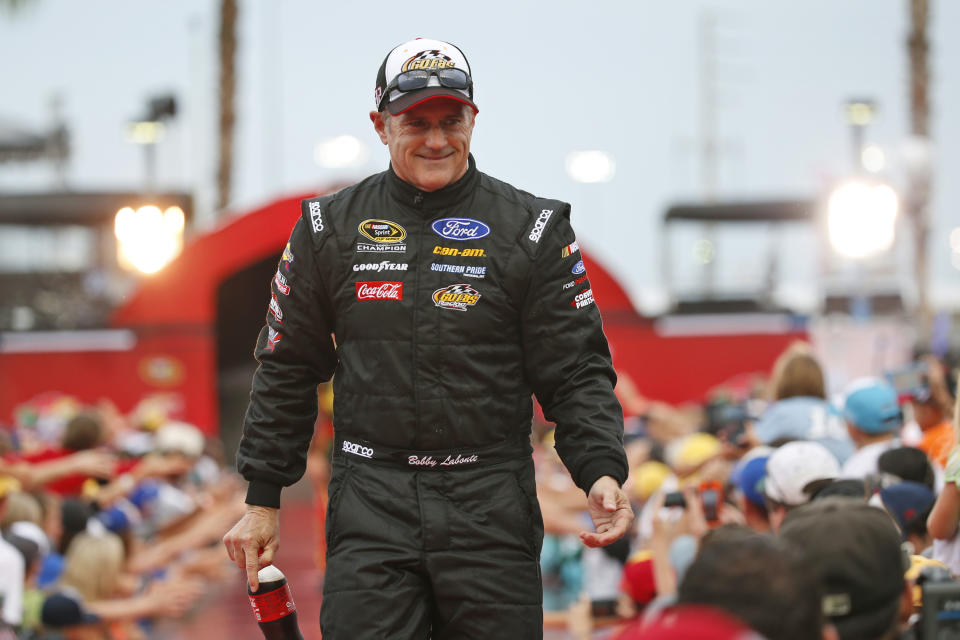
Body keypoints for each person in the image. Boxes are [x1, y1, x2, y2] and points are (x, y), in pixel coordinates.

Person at [222, 37, 633, 638]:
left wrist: (600, 470)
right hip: (371, 499)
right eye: (417, 122)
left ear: (474, 118)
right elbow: (286, 366)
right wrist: (261, 500)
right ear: (381, 125)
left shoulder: (535, 229)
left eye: (451, 120)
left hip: (490, 497)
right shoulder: (327, 227)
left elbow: (576, 370)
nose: (437, 140)